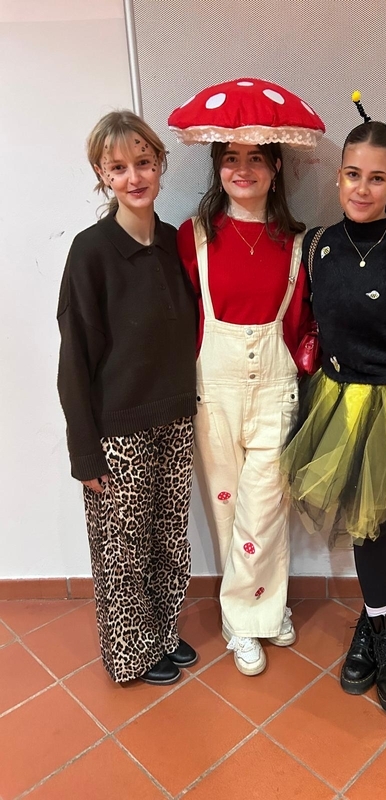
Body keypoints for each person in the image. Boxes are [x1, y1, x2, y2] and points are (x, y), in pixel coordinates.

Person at [281, 93, 386, 714]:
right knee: (369, 522)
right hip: (342, 403)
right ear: (337, 175)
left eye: (378, 177)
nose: (363, 187)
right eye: (353, 174)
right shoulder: (318, 244)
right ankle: (382, 631)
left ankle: (373, 628)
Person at [174, 79, 322, 676]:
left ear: (276, 167)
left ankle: (256, 610)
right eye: (231, 158)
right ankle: (250, 618)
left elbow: (303, 323)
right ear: (217, 167)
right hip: (214, 391)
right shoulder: (193, 238)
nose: (243, 170)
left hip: (276, 388)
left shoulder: (298, 243)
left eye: (256, 158)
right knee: (227, 507)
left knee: (266, 506)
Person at [57, 110, 198, 685]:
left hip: (176, 416)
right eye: (118, 168)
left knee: (168, 538)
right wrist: (84, 451)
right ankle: (129, 653)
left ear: (160, 164)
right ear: (102, 174)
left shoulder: (174, 243)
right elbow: (74, 357)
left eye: (143, 162)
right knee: (122, 549)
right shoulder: (90, 252)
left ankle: (161, 633)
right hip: (117, 430)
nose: (134, 177)